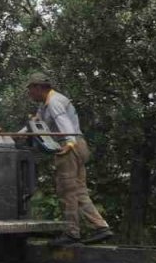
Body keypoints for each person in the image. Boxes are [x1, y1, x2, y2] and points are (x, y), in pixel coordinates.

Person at [26, 72, 113, 247]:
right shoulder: (45, 105)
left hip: (69, 146)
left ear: (38, 87)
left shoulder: (54, 102)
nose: (29, 93)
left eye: (30, 89)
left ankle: (72, 233)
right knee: (78, 190)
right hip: (78, 144)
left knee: (67, 191)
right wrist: (13, 137)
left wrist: (70, 142)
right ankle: (100, 227)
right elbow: (34, 125)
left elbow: (64, 122)